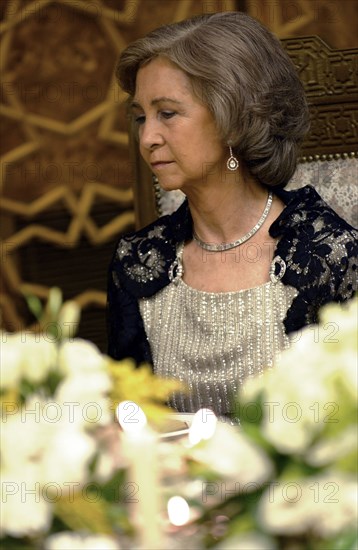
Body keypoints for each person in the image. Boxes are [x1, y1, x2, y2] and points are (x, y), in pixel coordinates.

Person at [107, 12, 357, 418]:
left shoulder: (329, 256)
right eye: (140, 117)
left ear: (234, 118)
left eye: (167, 113)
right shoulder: (138, 262)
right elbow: (131, 423)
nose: (147, 138)